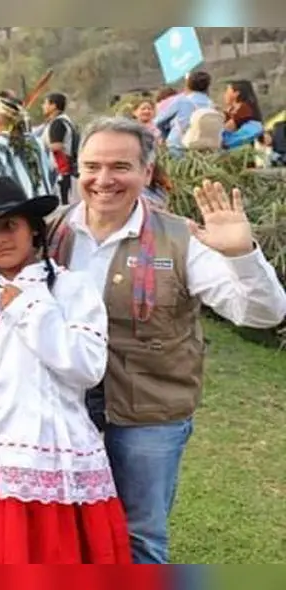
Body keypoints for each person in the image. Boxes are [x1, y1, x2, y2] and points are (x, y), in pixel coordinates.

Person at [47, 117, 286, 564]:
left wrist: (242, 255)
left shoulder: (181, 238)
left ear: (147, 169)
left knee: (139, 536)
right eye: (92, 166)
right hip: (64, 408)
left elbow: (262, 313)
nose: (104, 180)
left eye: (120, 166)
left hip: (150, 412)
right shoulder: (51, 230)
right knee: (68, 528)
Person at [0, 176, 131, 564]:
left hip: (44, 459)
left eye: (9, 226)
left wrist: (28, 310)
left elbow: (86, 367)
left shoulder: (71, 289)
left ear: (33, 228)